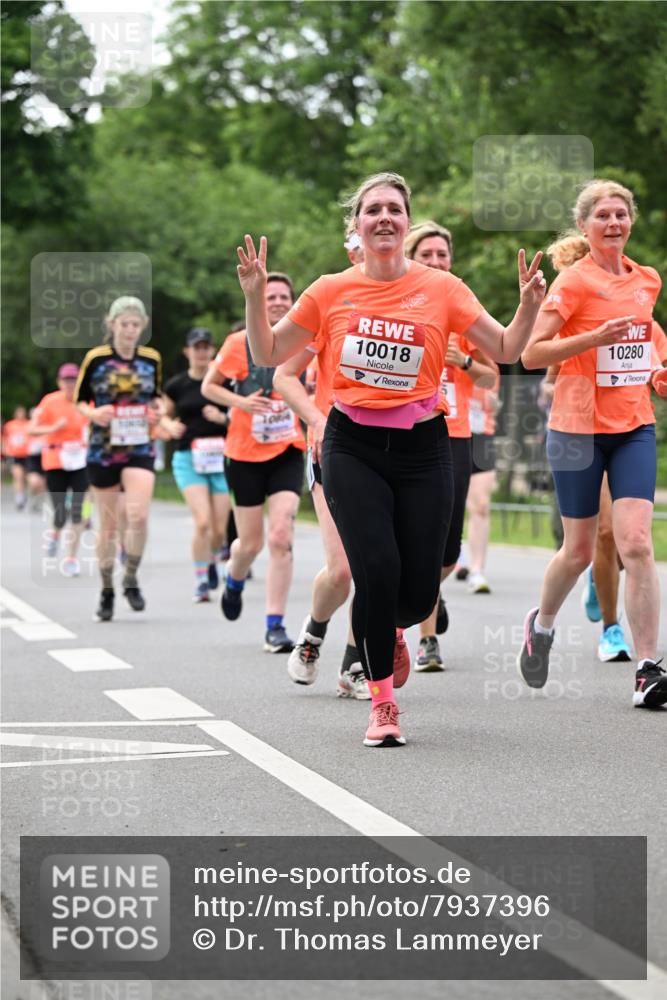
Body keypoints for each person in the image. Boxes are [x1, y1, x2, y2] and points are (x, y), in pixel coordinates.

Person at [237, 171, 546, 746]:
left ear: (406, 223)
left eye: (394, 210)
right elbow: (268, 352)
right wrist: (255, 295)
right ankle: (382, 704)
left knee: (419, 591)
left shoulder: (443, 288)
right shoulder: (330, 290)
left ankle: (396, 629)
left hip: (424, 446)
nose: (384, 217)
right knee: (374, 571)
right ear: (356, 224)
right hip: (351, 445)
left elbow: (506, 349)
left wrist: (528, 306)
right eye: (372, 209)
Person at [518, 179, 667, 708]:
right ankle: (543, 625)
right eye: (602, 215)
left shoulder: (646, 279)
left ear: (631, 222)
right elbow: (532, 354)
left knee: (636, 543)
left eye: (621, 214)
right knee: (579, 550)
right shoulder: (572, 283)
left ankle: (648, 669)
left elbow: (648, 336)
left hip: (632, 427)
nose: (613, 223)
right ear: (585, 226)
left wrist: (658, 370)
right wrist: (592, 340)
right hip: (577, 430)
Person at [403, 220, 497, 673]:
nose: (437, 262)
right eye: (427, 255)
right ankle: (425, 640)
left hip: (453, 435)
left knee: (447, 551)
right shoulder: (393, 307)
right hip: (398, 432)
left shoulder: (460, 309)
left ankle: (429, 592)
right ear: (410, 256)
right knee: (407, 538)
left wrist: (465, 361)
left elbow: (493, 374)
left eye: (443, 255)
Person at [202, 273, 306, 653]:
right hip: (243, 453)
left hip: (288, 448)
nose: (277, 301)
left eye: (284, 296)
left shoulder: (305, 338)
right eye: (271, 295)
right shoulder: (237, 343)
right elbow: (208, 387)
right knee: (249, 543)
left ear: (293, 301)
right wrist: (241, 403)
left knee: (281, 536)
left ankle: (274, 625)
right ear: (261, 301)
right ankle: (234, 577)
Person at [74, 296, 162, 621]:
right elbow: (79, 400)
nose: (129, 330)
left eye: (135, 324)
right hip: (103, 450)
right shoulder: (96, 359)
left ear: (143, 326)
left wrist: (159, 411)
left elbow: (156, 398)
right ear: (111, 325)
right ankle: (107, 588)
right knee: (108, 527)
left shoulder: (151, 359)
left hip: (139, 447)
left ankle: (131, 577)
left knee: (138, 517)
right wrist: (93, 413)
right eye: (123, 323)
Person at [163, 327, 232, 603]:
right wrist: (169, 425)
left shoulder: (224, 382)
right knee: (202, 522)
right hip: (188, 458)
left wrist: (221, 417)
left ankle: (212, 559)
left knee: (218, 529)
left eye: (206, 347)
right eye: (196, 347)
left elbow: (239, 415)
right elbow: (163, 416)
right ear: (187, 351)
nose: (201, 352)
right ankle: (201, 580)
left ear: (212, 351)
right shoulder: (176, 385)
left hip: (221, 459)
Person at [29, 363, 89, 576]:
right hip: (56, 460)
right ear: (59, 382)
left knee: (79, 510)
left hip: (81, 459)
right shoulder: (49, 401)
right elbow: (32, 429)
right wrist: (53, 428)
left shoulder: (86, 401)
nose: (70, 384)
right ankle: (55, 533)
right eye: (66, 380)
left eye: (74, 380)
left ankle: (71, 557)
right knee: (60, 512)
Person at [465, 374, 501, 593]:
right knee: (448, 505)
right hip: (447, 431)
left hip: (481, 435)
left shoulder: (487, 357)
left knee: (480, 505)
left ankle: (477, 570)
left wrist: (493, 401)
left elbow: (494, 404)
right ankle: (453, 556)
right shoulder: (448, 346)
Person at [3, 406, 31, 509]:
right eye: (18, 412)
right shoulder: (9, 425)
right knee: (18, 475)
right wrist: (5, 450)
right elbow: (5, 438)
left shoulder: (28, 424)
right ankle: (19, 498)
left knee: (26, 477)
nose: (20, 414)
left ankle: (24, 493)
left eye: (22, 412)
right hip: (14, 454)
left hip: (27, 454)